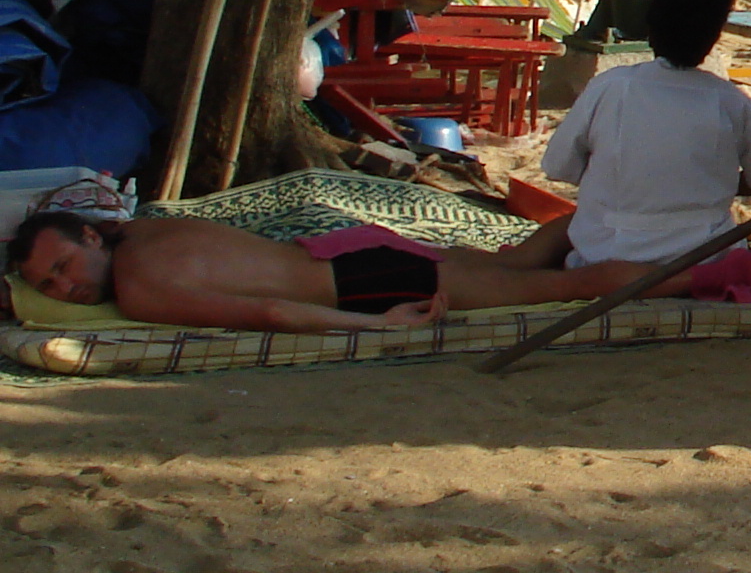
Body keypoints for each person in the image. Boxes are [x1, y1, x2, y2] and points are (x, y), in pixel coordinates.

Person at [536, 0, 751, 297]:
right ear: (714, 38)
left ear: (651, 32)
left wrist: (625, 178)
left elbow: (557, 167)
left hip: (603, 255)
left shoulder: (611, 86)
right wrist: (706, 183)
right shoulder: (730, 101)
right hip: (702, 257)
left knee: (558, 234)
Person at [6, 207, 682, 331]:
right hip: (345, 250)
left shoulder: (140, 286)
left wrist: (375, 328)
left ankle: (708, 271)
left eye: (64, 266)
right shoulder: (142, 229)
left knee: (558, 288)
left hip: (363, 283)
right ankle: (589, 219)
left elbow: (271, 314)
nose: (68, 289)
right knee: (516, 266)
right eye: (50, 288)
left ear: (91, 236)